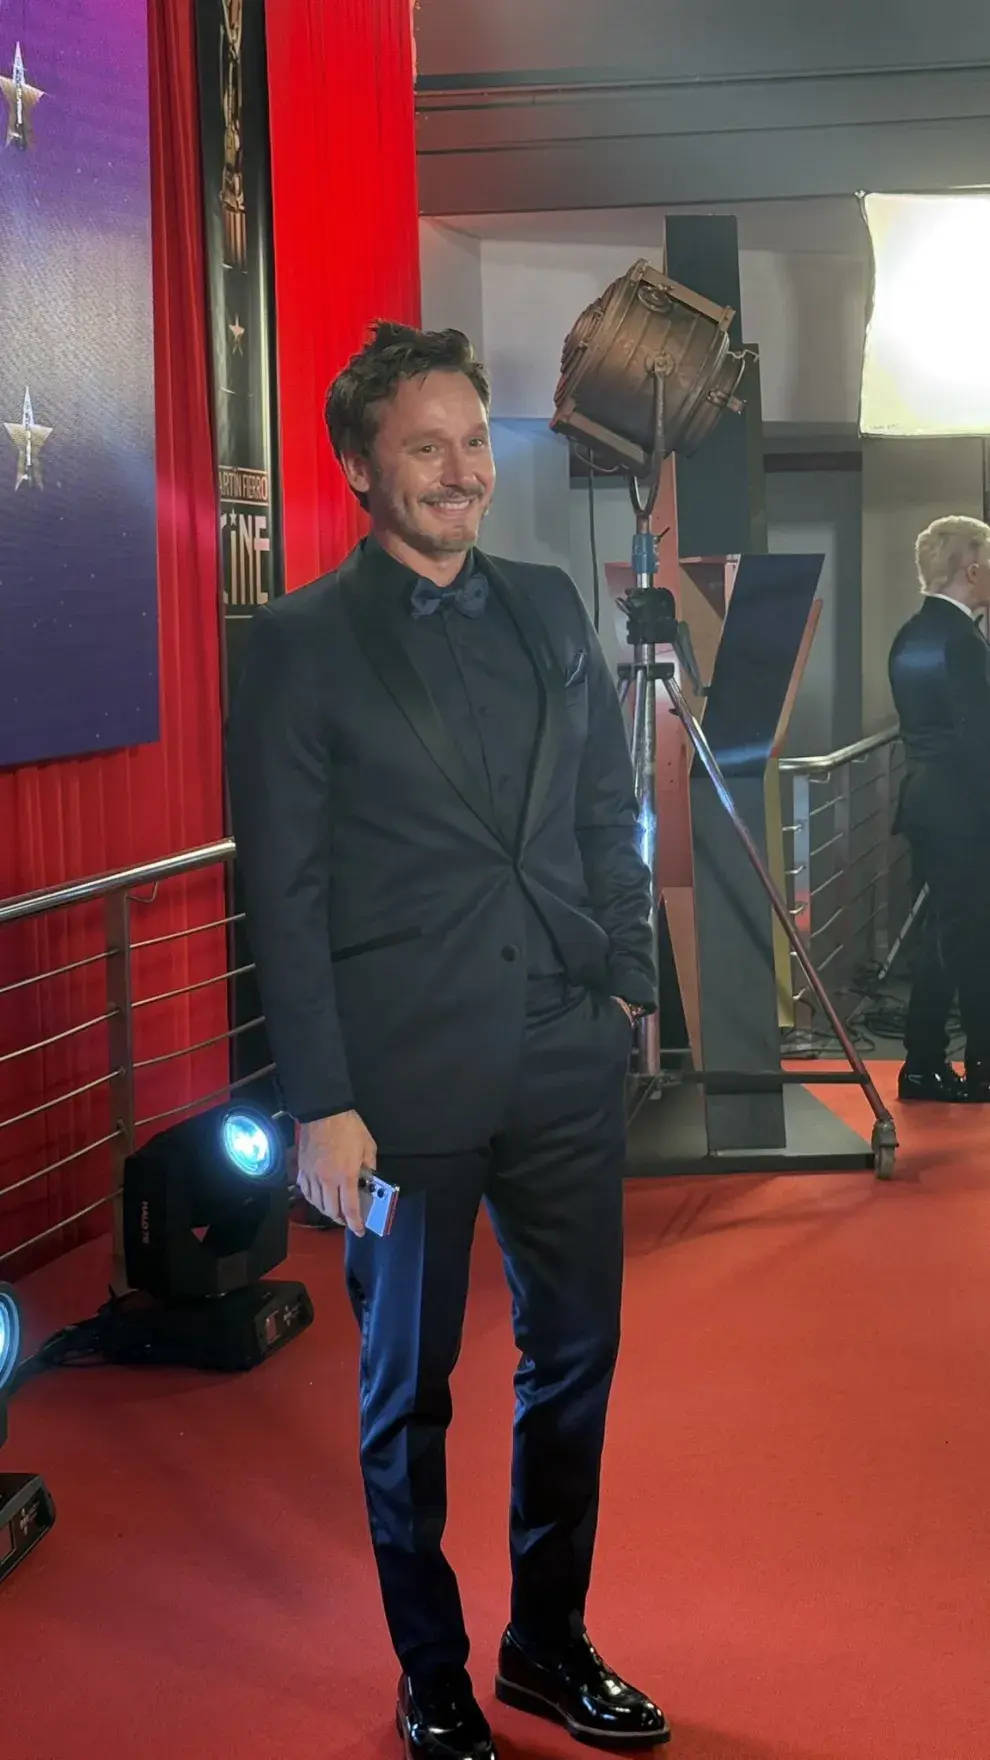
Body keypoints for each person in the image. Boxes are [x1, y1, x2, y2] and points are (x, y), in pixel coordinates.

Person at [227, 323, 669, 1759]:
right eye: (426, 447)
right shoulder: (296, 642)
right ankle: (432, 1671)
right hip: (396, 1088)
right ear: (362, 467)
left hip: (559, 1053)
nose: (460, 471)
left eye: (472, 442)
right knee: (405, 1390)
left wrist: (624, 978)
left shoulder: (547, 608)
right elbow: (280, 891)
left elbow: (606, 810)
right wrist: (319, 1103)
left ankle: (547, 1640)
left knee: (575, 1361)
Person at [888, 514, 990, 1102]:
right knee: (971, 939)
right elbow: (979, 741)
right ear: (971, 568)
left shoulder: (912, 634)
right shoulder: (962, 641)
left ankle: (923, 1062)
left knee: (941, 937)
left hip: (927, 803)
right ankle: (978, 1064)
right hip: (966, 810)